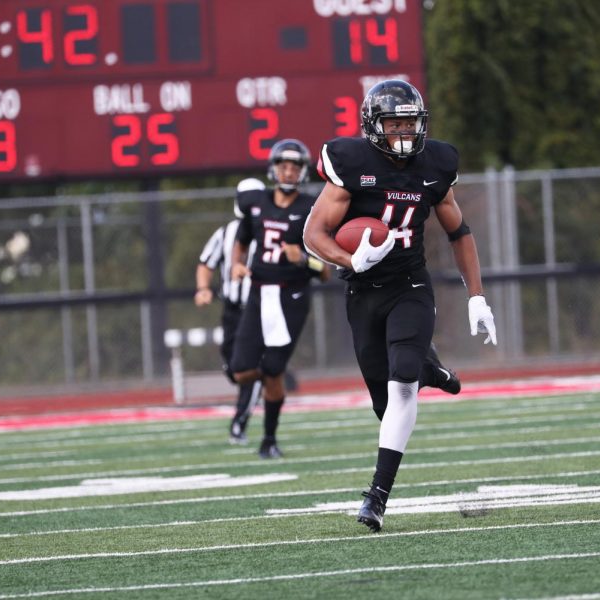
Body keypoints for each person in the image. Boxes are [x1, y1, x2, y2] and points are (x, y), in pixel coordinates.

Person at [303, 79, 497, 532]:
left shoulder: (435, 164)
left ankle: (377, 496)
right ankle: (431, 370)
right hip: (363, 292)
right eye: (393, 123)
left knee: (402, 388)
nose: (403, 132)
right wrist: (350, 258)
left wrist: (477, 296)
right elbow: (313, 235)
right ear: (374, 125)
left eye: (410, 122)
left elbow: (459, 232)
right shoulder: (351, 163)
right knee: (383, 400)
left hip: (411, 285)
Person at [229, 139, 331, 459]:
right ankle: (268, 384)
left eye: (294, 166)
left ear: (302, 172)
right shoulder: (256, 202)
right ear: (273, 169)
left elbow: (325, 271)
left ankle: (269, 439)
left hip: (292, 295)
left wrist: (302, 258)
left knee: (274, 369)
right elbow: (242, 239)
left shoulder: (310, 209)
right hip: (259, 292)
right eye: (283, 166)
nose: (288, 171)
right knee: (241, 370)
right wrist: (236, 263)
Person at [194, 177, 265, 445]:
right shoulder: (225, 233)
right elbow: (206, 262)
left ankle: (239, 423)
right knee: (233, 367)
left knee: (251, 366)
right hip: (233, 309)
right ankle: (255, 381)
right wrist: (203, 288)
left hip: (259, 309)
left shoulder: (272, 231)